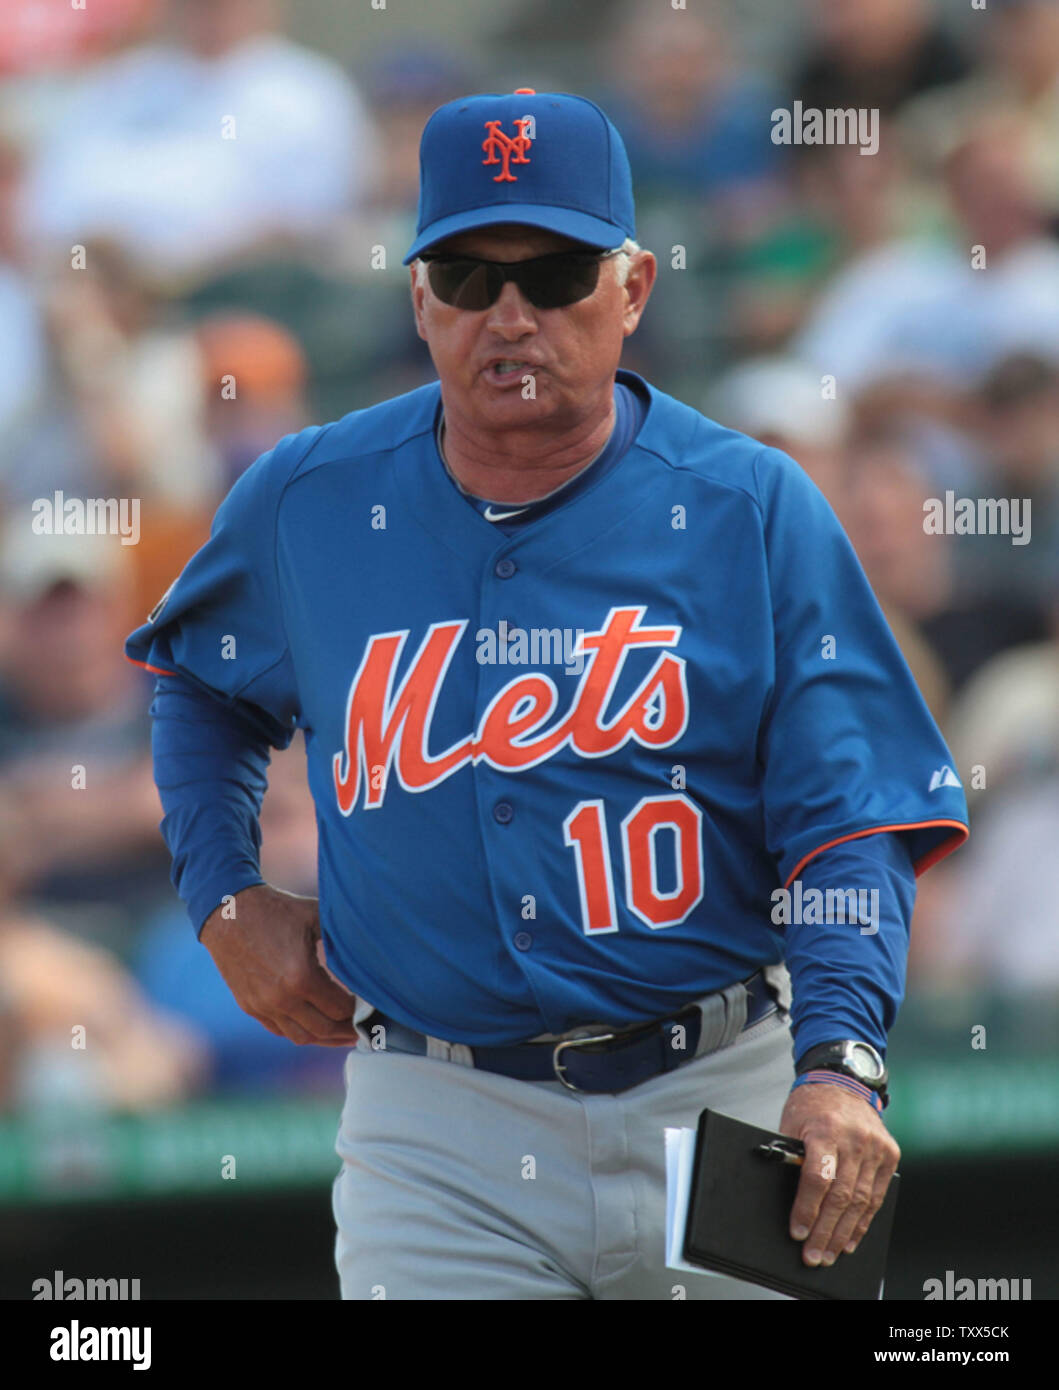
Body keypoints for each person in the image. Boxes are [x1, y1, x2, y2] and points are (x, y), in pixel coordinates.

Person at [125, 90, 969, 1300]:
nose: (509, 315)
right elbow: (200, 690)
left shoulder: (750, 507)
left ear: (632, 289)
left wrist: (839, 1063)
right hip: (439, 1118)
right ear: (420, 302)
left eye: (556, 272)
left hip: (724, 1082)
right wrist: (221, 893)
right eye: (468, 276)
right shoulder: (308, 500)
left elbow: (856, 816)